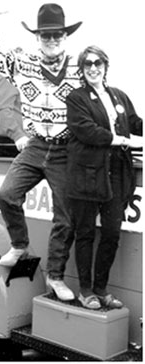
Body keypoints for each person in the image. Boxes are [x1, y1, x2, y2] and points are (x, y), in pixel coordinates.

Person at [0, 3, 82, 301]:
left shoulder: (80, 66)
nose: (52, 40)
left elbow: (100, 94)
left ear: (65, 36)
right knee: (6, 195)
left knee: (66, 216)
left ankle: (56, 277)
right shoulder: (20, 62)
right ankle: (19, 244)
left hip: (65, 150)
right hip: (35, 145)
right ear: (37, 37)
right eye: (46, 35)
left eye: (57, 35)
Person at [66, 45, 143, 309]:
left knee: (111, 233)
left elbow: (134, 122)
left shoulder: (118, 96)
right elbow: (86, 130)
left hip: (116, 175)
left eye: (98, 63)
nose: (93, 68)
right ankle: (85, 290)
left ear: (105, 66)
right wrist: (120, 139)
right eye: (87, 64)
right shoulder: (76, 98)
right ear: (82, 69)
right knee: (85, 233)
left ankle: (101, 288)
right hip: (87, 175)